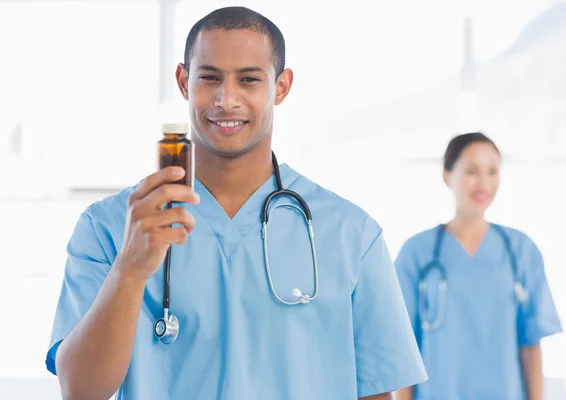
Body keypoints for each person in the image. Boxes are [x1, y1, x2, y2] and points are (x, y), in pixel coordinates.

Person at [45, 6, 427, 400]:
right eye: (210, 78)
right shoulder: (109, 226)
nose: (227, 100)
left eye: (248, 80)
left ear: (281, 87)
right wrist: (129, 269)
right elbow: (80, 391)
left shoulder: (350, 233)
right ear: (183, 81)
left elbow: (377, 391)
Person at [394, 132, 562, 400]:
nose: (484, 182)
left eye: (493, 171)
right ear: (447, 176)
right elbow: (405, 348)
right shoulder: (417, 253)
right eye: (472, 171)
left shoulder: (521, 250)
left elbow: (530, 345)